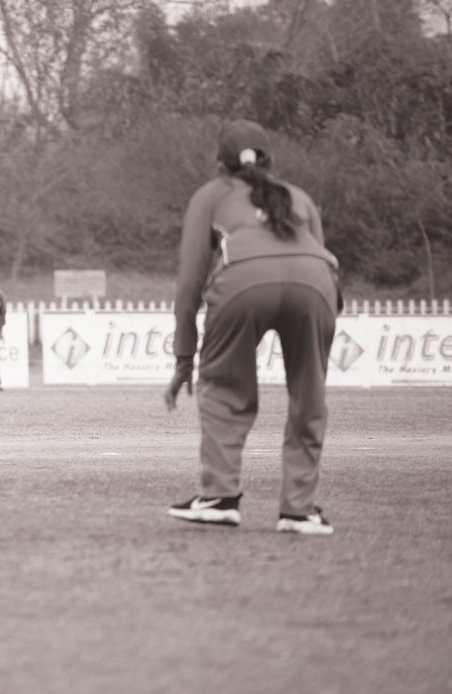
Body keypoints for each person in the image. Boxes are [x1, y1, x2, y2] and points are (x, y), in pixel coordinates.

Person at [165, 119, 341, 535]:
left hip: (242, 282)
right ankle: (299, 510)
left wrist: (184, 358)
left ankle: (221, 497)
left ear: (220, 164)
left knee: (226, 388)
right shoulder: (298, 197)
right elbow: (321, 257)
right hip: (315, 284)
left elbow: (190, 282)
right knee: (308, 396)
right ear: (269, 159)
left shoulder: (209, 196)